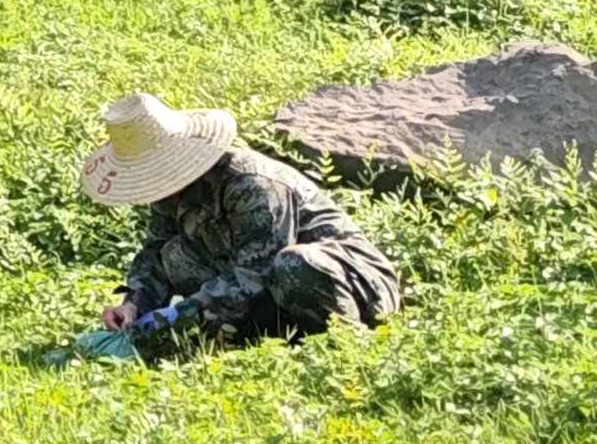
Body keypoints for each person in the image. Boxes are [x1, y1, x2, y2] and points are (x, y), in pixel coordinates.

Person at [75, 93, 399, 359]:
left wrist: (174, 320)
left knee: (293, 265)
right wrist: (134, 306)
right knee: (174, 254)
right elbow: (156, 253)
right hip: (266, 289)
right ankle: (262, 337)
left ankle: (345, 344)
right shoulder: (165, 193)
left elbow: (255, 273)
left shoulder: (251, 185)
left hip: (346, 281)